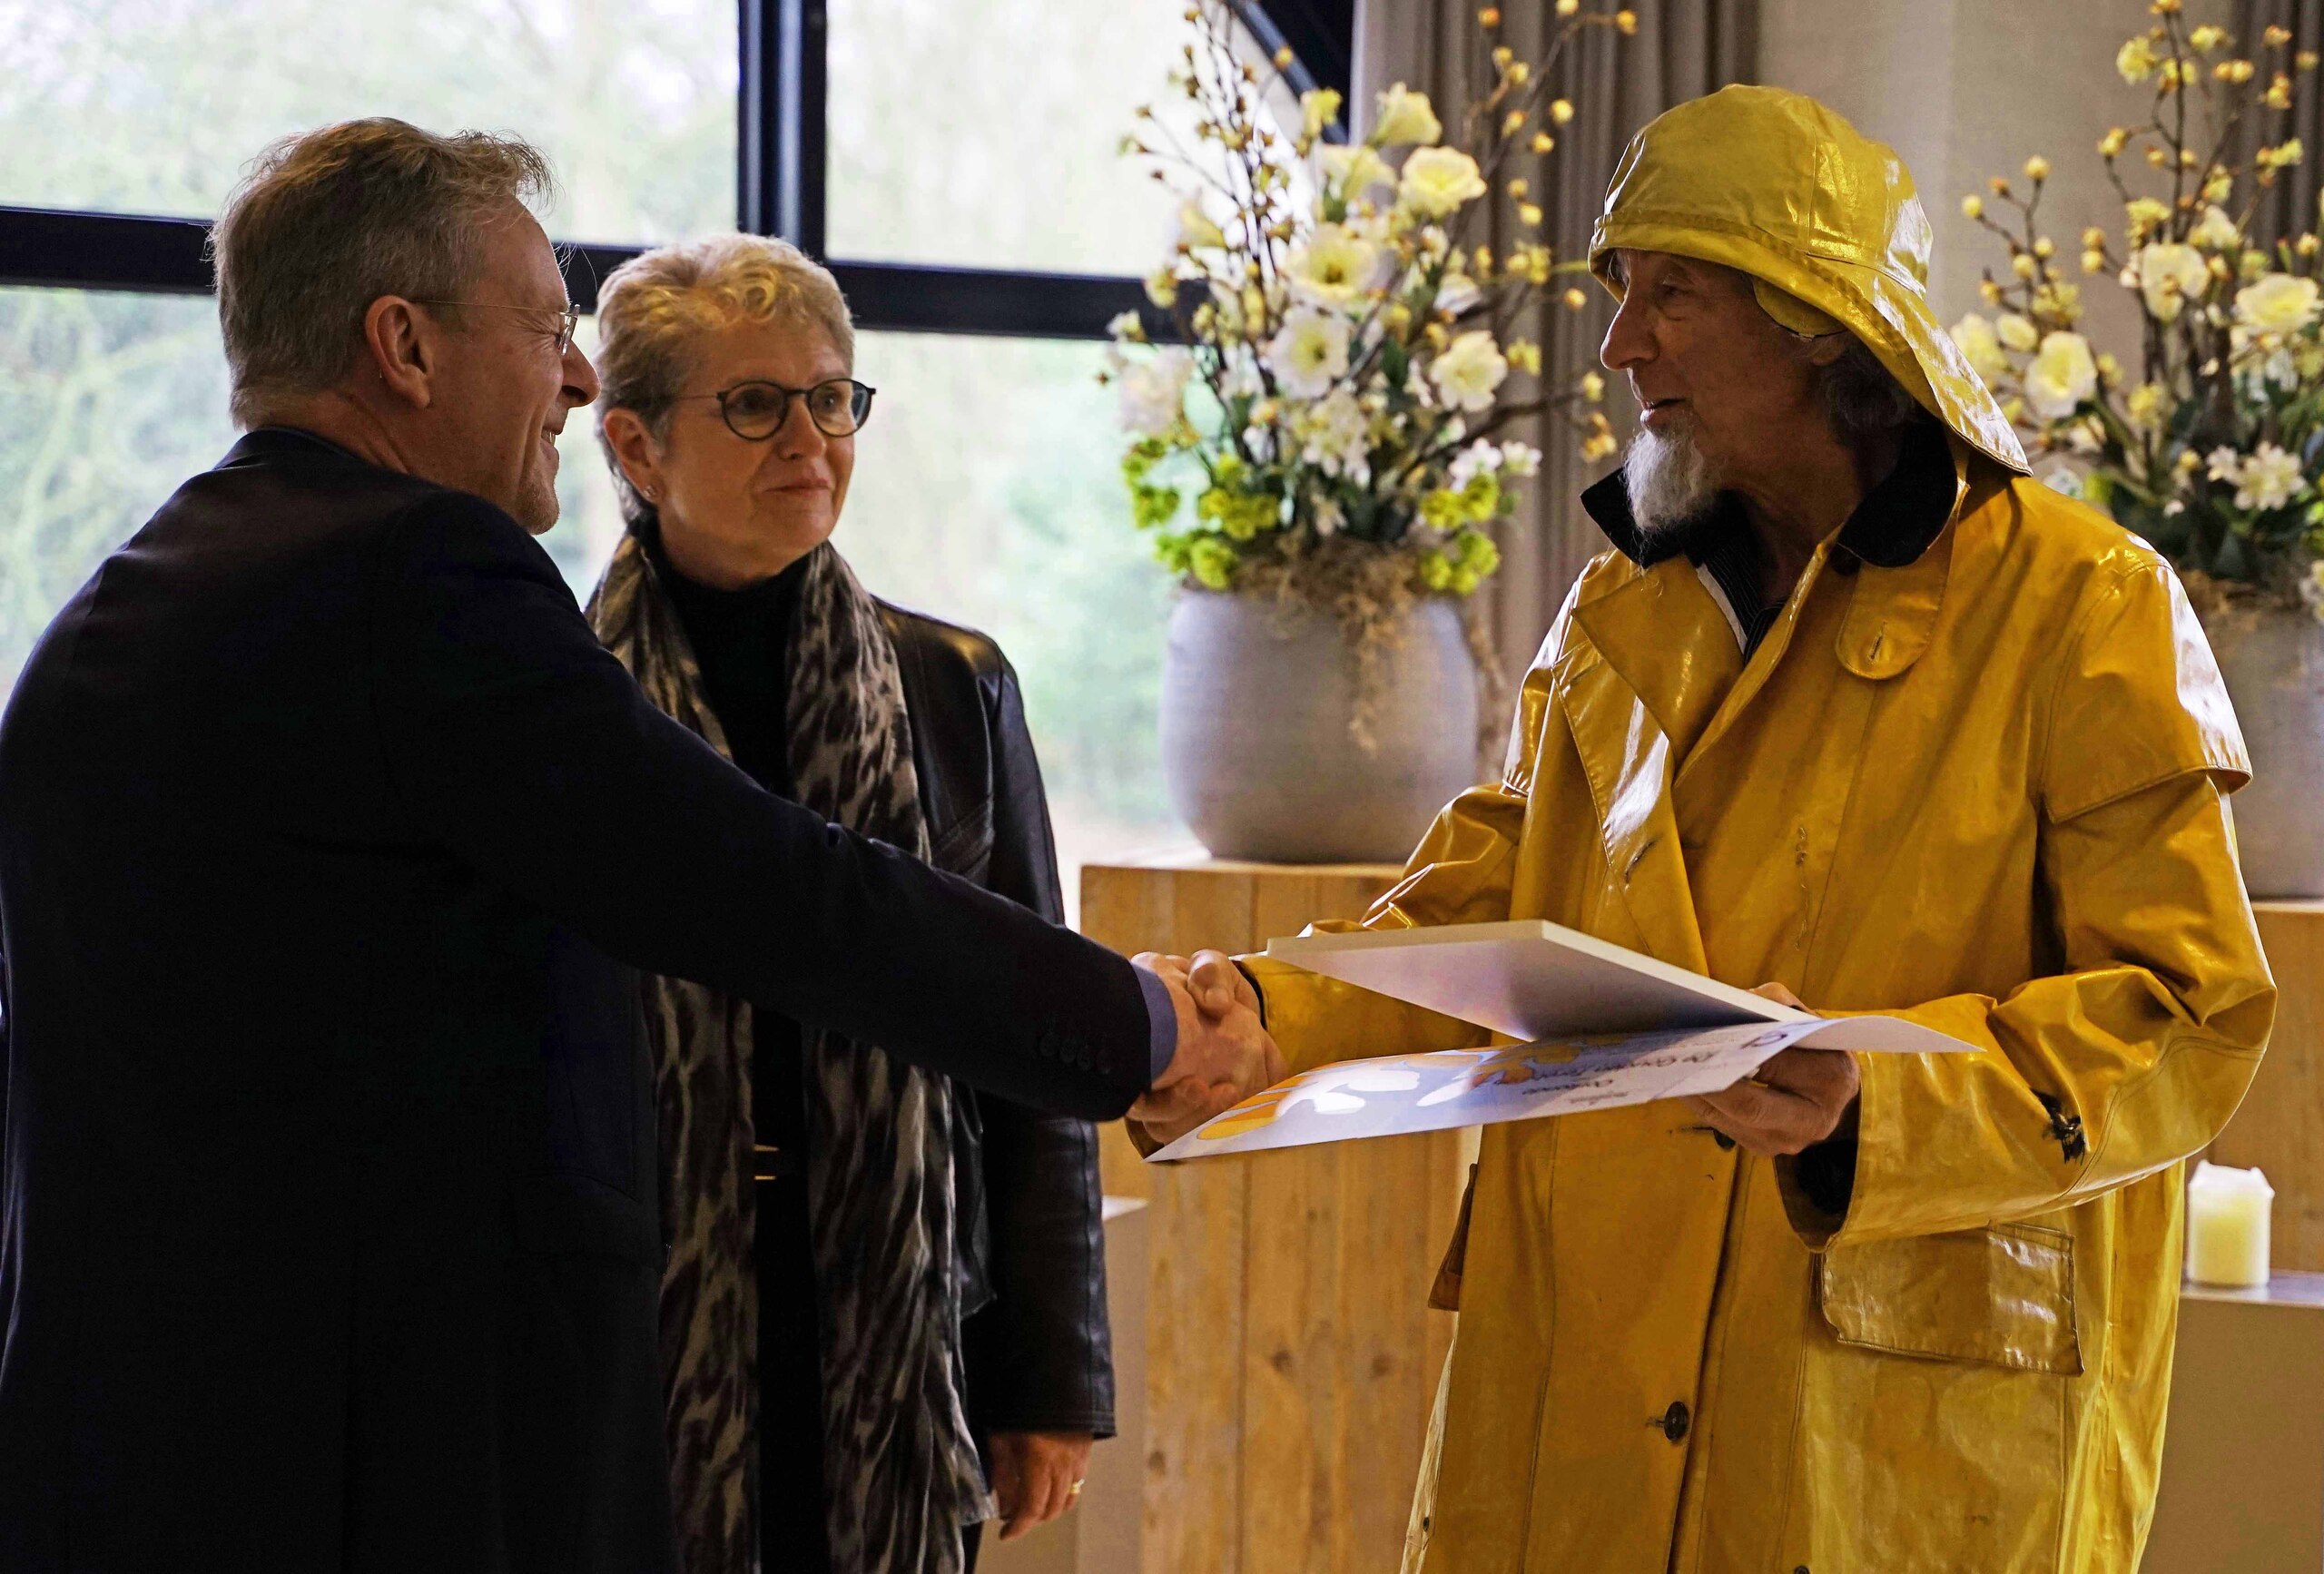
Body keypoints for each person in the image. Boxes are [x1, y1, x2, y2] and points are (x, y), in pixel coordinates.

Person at [0, 119, 1276, 1574]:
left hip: (123, 1459)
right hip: (378, 1466)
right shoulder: (420, 583)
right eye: (548, 328)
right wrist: (1146, 1016)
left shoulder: (117, 609)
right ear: (403, 346)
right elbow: (778, 897)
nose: (576, 373)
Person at [1163, 85, 2275, 1573]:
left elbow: (2189, 1020)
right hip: (1586, 1376)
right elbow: (1491, 892)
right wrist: (1272, 1015)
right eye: (1623, 293)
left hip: (1889, 1424)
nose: (1621, 348)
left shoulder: (2083, 604)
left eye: (1671, 296)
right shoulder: (1621, 603)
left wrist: (1876, 1116)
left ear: (1820, 321)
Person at [583, 234, 1105, 1574]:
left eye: (830, 395)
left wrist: (1053, 1379)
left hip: (891, 1315)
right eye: (754, 403)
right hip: (640, 1319)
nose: (809, 435)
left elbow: (1027, 1035)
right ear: (634, 448)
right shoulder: (560, 700)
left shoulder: (953, 684)